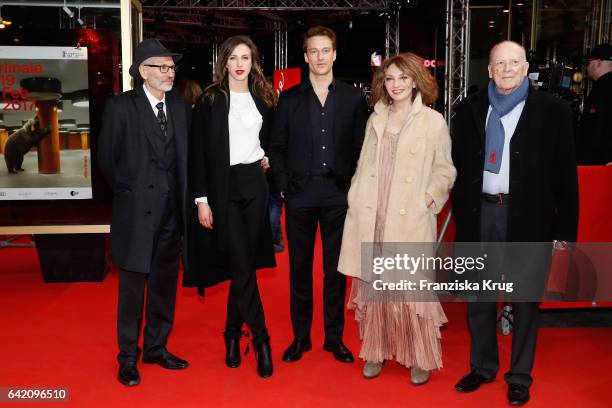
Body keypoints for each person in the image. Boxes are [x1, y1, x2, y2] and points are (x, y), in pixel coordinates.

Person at [451, 41, 578, 405]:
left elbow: (565, 178)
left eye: (514, 62)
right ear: (489, 70)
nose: (507, 69)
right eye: (499, 63)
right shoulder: (471, 110)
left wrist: (564, 232)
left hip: (529, 217)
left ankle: (519, 375)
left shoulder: (553, 111)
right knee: (479, 296)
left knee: (525, 300)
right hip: (481, 214)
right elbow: (459, 168)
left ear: (526, 68)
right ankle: (482, 367)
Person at [337, 52, 456, 385]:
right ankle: (375, 350)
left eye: (403, 77)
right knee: (376, 288)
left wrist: (428, 199)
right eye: (389, 78)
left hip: (409, 216)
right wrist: (355, 193)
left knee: (410, 291)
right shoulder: (376, 117)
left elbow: (445, 170)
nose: (396, 84)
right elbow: (363, 164)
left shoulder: (433, 121)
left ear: (417, 79)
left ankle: (420, 356)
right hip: (373, 213)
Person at [268, 26, 369, 364]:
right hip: (299, 194)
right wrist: (283, 184)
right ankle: (301, 338)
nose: (321, 57)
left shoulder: (354, 99)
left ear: (335, 54)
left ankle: (334, 338)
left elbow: (361, 147)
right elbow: (277, 145)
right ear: (306, 55)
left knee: (335, 272)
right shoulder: (290, 99)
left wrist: (352, 183)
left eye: (326, 50)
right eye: (314, 51)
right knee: (299, 270)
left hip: (337, 196)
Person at [98, 38, 191, 386]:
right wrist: (132, 191)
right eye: (162, 67)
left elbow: (187, 159)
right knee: (132, 292)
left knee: (165, 286)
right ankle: (127, 357)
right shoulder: (121, 107)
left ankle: (156, 347)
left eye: (171, 67)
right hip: (135, 215)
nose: (170, 73)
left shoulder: (181, 107)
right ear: (142, 72)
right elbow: (107, 160)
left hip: (172, 215)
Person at [186, 35, 276, 378]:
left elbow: (267, 140)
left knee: (243, 265)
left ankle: (231, 335)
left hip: (254, 185)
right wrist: (202, 200)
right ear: (224, 62)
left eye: (246, 58)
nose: (240, 64)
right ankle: (263, 339)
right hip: (222, 188)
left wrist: (266, 159)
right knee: (241, 263)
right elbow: (198, 153)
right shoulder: (210, 100)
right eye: (233, 58)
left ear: (253, 62)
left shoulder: (264, 98)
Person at [578, 43, 612, 165]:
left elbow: (595, 129)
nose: (587, 67)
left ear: (598, 62)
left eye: (588, 62)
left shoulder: (602, 88)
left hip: (599, 164)